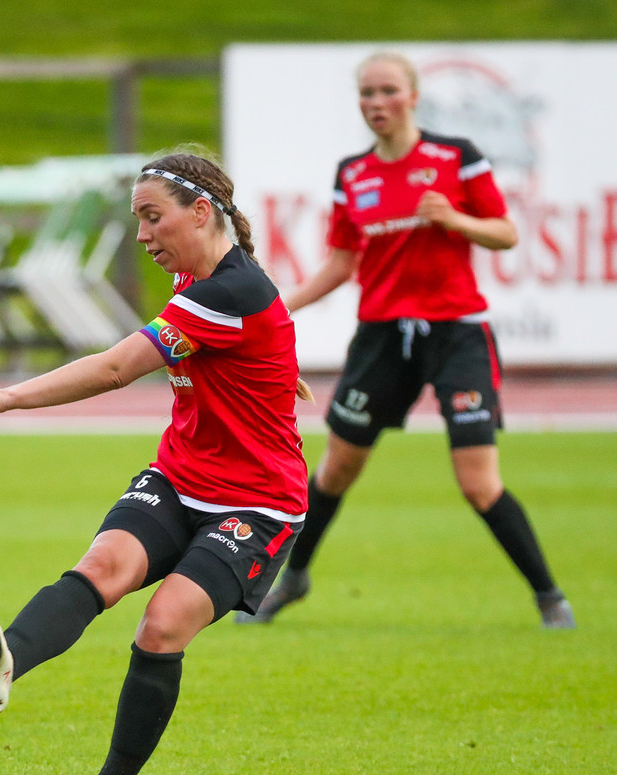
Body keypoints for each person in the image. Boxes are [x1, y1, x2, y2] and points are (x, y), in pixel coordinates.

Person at [0, 150, 309, 775]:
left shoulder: (226, 293)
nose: (141, 235)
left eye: (151, 217)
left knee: (162, 625)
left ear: (200, 212)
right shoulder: (204, 280)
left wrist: (9, 397)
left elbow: (114, 369)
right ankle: (6, 659)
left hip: (257, 505)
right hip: (180, 477)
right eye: (138, 219)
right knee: (102, 566)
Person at [236, 51, 575, 630]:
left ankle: (549, 597)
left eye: (388, 90)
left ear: (414, 96)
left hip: (457, 332)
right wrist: (273, 309)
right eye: (367, 93)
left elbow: (506, 233)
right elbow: (341, 264)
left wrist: (456, 220)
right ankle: (293, 578)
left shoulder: (456, 157)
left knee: (478, 483)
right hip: (383, 338)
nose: (377, 102)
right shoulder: (353, 173)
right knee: (336, 469)